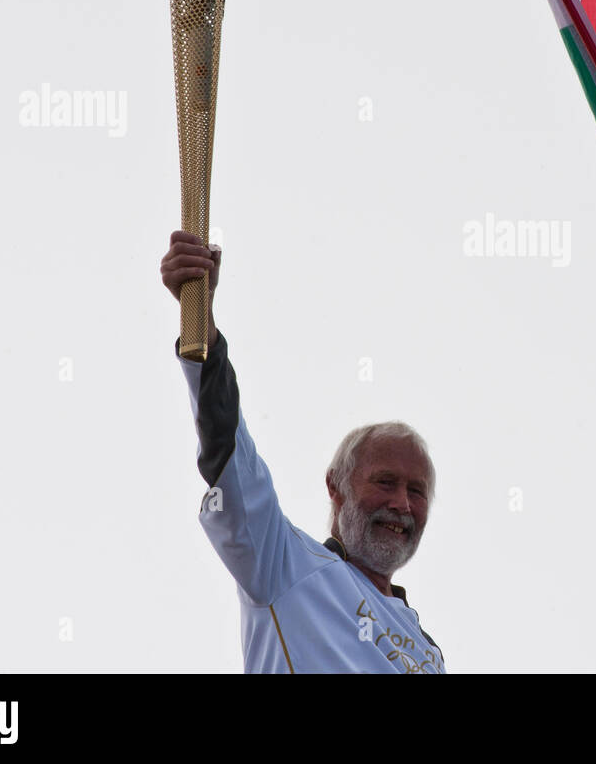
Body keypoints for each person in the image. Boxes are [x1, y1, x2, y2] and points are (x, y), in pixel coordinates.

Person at [160, 230, 445, 673]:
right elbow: (230, 453)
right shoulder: (283, 563)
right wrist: (199, 321)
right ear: (337, 486)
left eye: (417, 490)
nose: (402, 504)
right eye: (385, 482)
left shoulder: (429, 654)